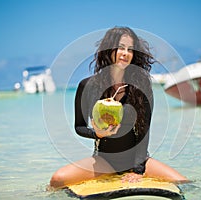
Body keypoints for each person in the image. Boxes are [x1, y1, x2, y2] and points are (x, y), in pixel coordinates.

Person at [49, 26, 188, 189]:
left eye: (130, 49)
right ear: (109, 49)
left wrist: (137, 170)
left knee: (184, 183)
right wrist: (97, 134)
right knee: (57, 180)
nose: (125, 53)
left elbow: (144, 131)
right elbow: (79, 126)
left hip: (137, 160)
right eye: (121, 47)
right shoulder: (87, 86)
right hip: (105, 160)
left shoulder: (141, 87)